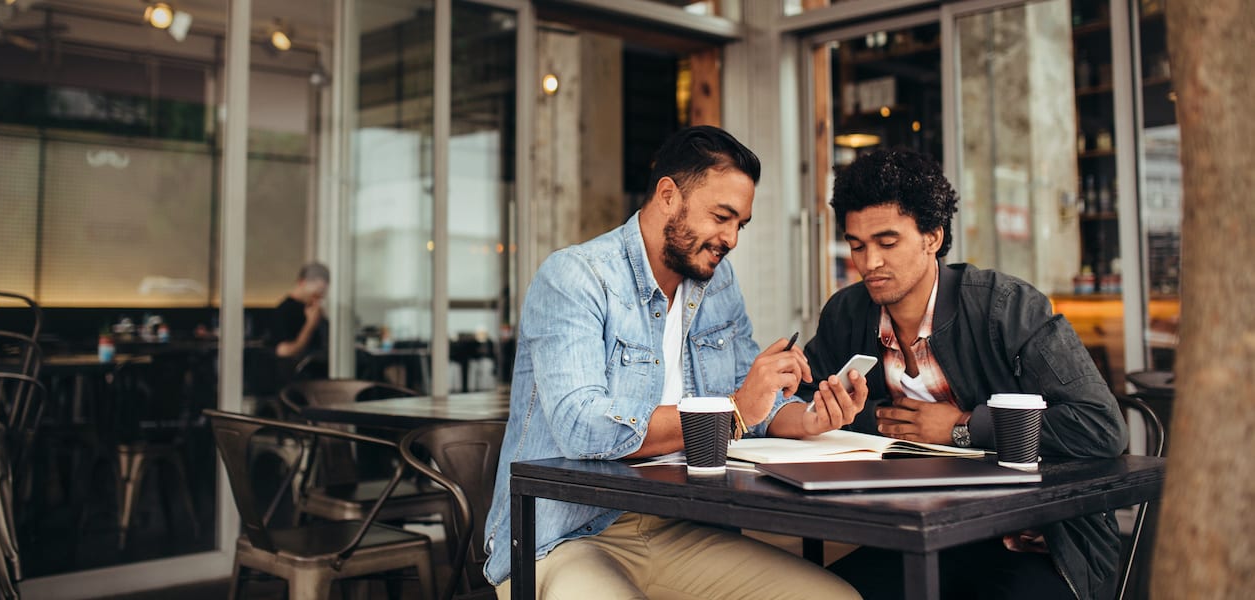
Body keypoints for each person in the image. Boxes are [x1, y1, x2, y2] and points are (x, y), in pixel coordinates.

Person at [482, 126, 866, 599]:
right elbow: (580, 427)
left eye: (740, 224)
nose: (731, 239)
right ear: (668, 195)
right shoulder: (576, 278)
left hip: (681, 524)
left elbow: (751, 412)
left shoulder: (717, 285)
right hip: (565, 534)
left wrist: (809, 419)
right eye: (722, 217)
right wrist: (735, 410)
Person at [801, 149, 1128, 599]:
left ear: (932, 237)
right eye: (857, 245)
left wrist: (962, 427)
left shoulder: (1005, 306)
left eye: (887, 242)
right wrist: (871, 417)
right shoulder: (847, 314)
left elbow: (1100, 426)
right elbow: (804, 406)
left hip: (1034, 539)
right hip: (917, 533)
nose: (869, 261)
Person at [272, 262, 329, 361]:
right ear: (301, 283)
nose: (318, 299)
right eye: (315, 294)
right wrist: (310, 325)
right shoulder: (285, 311)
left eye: (321, 295)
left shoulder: (314, 310)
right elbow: (285, 353)